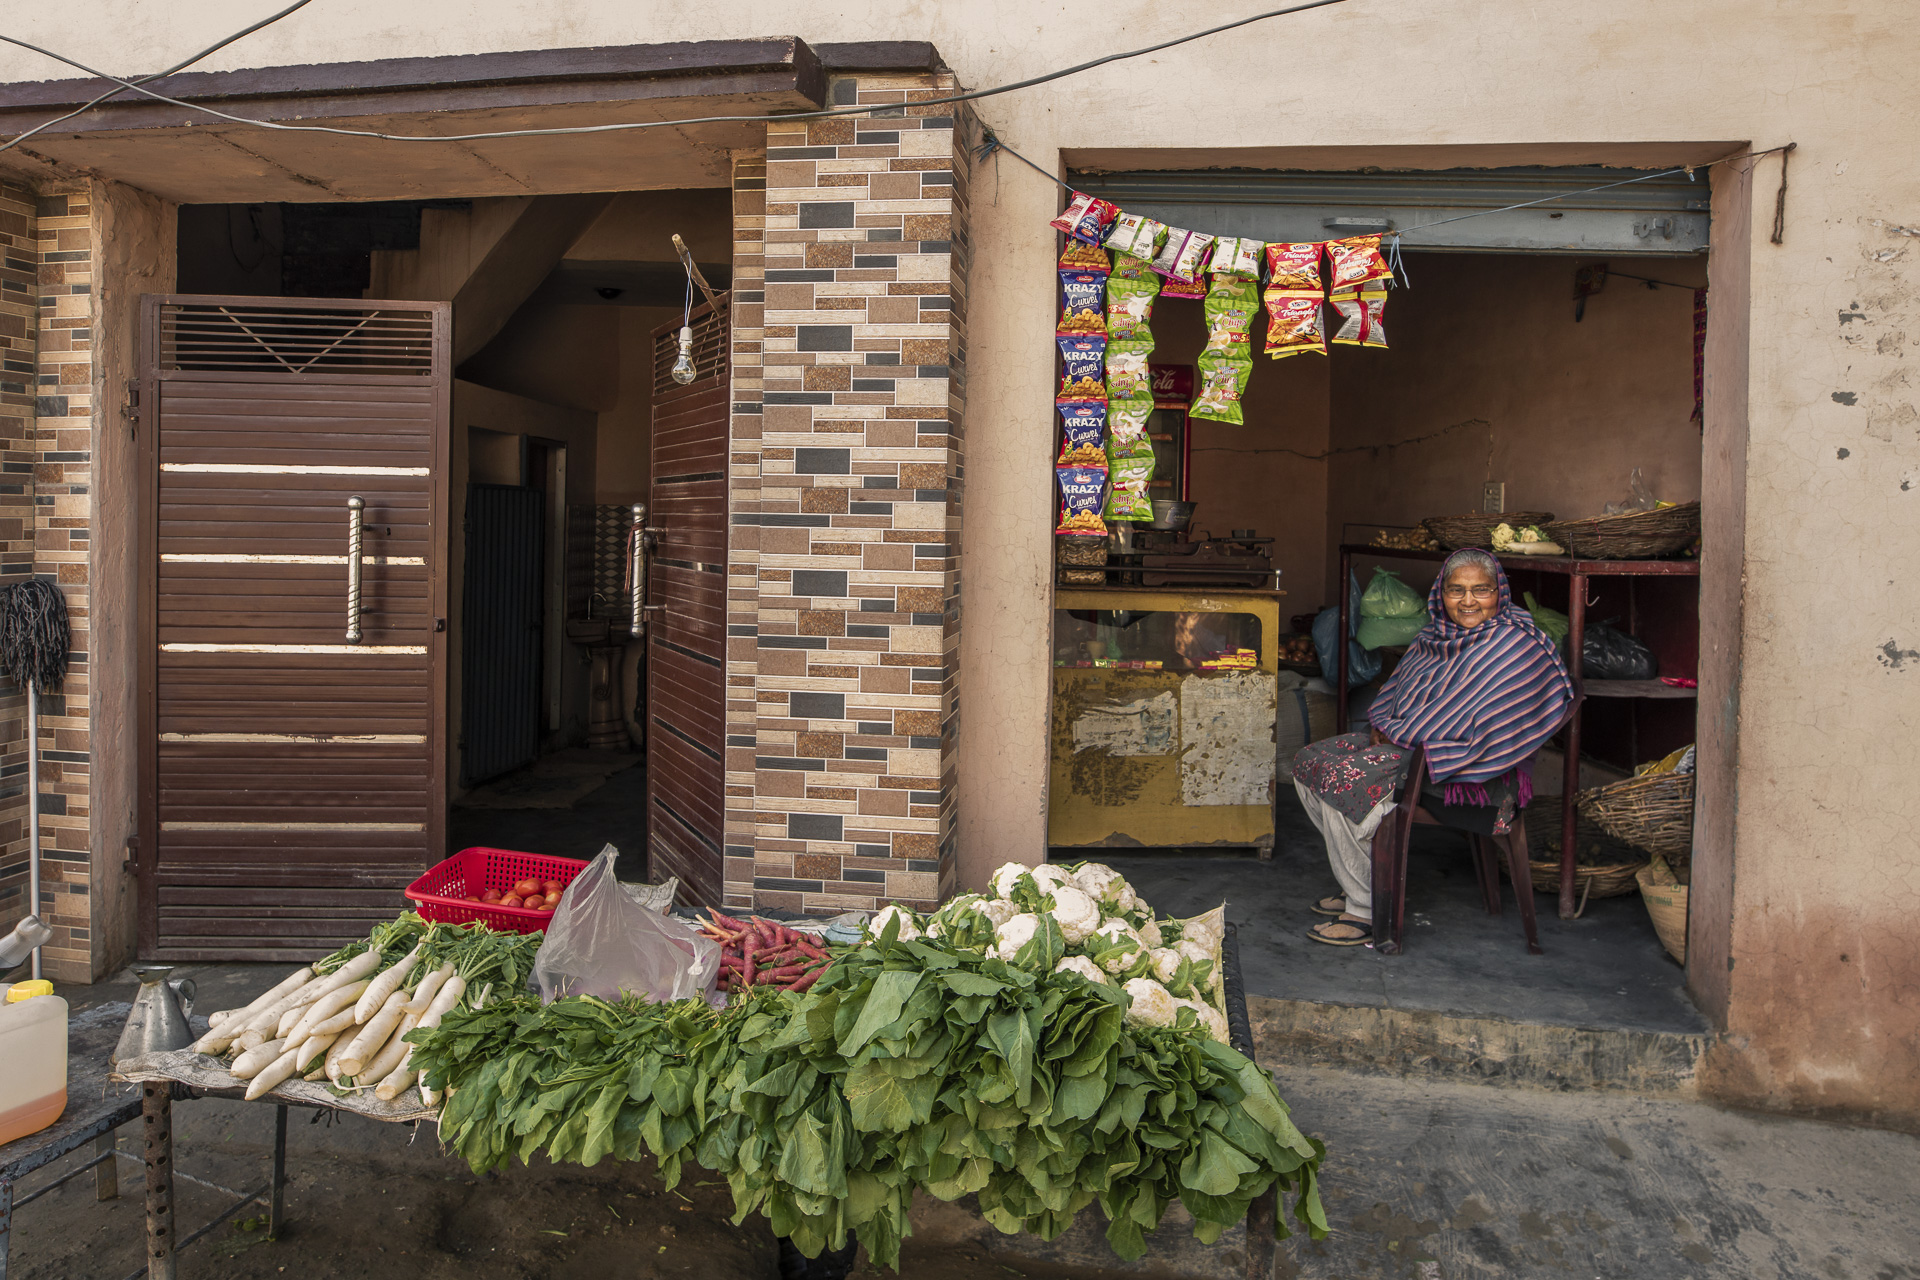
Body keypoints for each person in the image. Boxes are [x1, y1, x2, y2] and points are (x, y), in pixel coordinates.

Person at [1288, 548, 1574, 946]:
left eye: (1481, 590)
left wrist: (1400, 734)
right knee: (1310, 761)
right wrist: (1386, 726)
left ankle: (1365, 909)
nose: (1468, 601)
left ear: (1500, 593)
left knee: (1344, 779)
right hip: (1414, 746)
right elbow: (1400, 694)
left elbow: (1480, 723)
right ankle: (1363, 877)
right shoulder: (1436, 636)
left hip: (1468, 771)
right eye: (1456, 590)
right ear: (1441, 593)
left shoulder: (1515, 645)